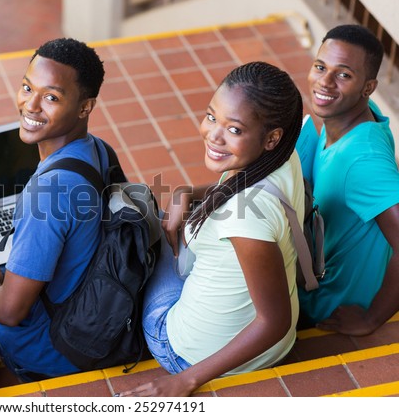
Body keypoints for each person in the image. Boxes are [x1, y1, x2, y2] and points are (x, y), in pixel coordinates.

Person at [119, 61, 304, 397]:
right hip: (276, 344)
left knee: (143, 224)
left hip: (190, 355)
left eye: (234, 129)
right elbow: (244, 189)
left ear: (270, 138)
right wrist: (187, 192)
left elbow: (273, 321)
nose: (213, 135)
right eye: (211, 116)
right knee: (165, 217)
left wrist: (185, 380)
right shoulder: (285, 155)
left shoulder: (243, 220)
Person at [0, 38, 111, 380]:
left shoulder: (47, 194)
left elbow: (11, 312)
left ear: (84, 107)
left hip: (54, 348)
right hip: (89, 308)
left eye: (51, 97)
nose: (30, 106)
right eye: (27, 87)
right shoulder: (97, 149)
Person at [296, 24, 399, 335]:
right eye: (320, 67)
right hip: (319, 262)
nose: (324, 82)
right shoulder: (353, 113)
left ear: (367, 88)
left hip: (330, 301)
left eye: (343, 74)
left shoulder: (363, 161)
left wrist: (371, 319)